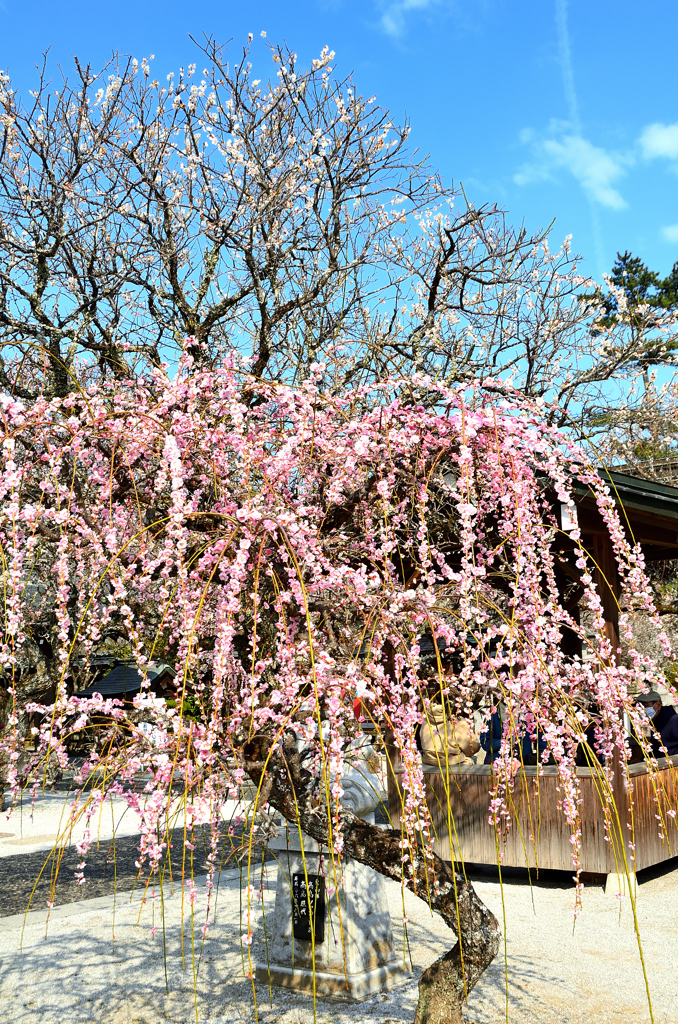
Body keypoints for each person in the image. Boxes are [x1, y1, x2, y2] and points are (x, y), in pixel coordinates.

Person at [420, 702, 481, 767]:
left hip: (428, 761)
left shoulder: (425, 723)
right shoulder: (455, 724)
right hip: (453, 762)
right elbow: (472, 748)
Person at [638, 689, 678, 757]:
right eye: (640, 707)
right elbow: (655, 747)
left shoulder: (673, 720)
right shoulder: (656, 722)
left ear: (658, 704)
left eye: (645, 706)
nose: (642, 710)